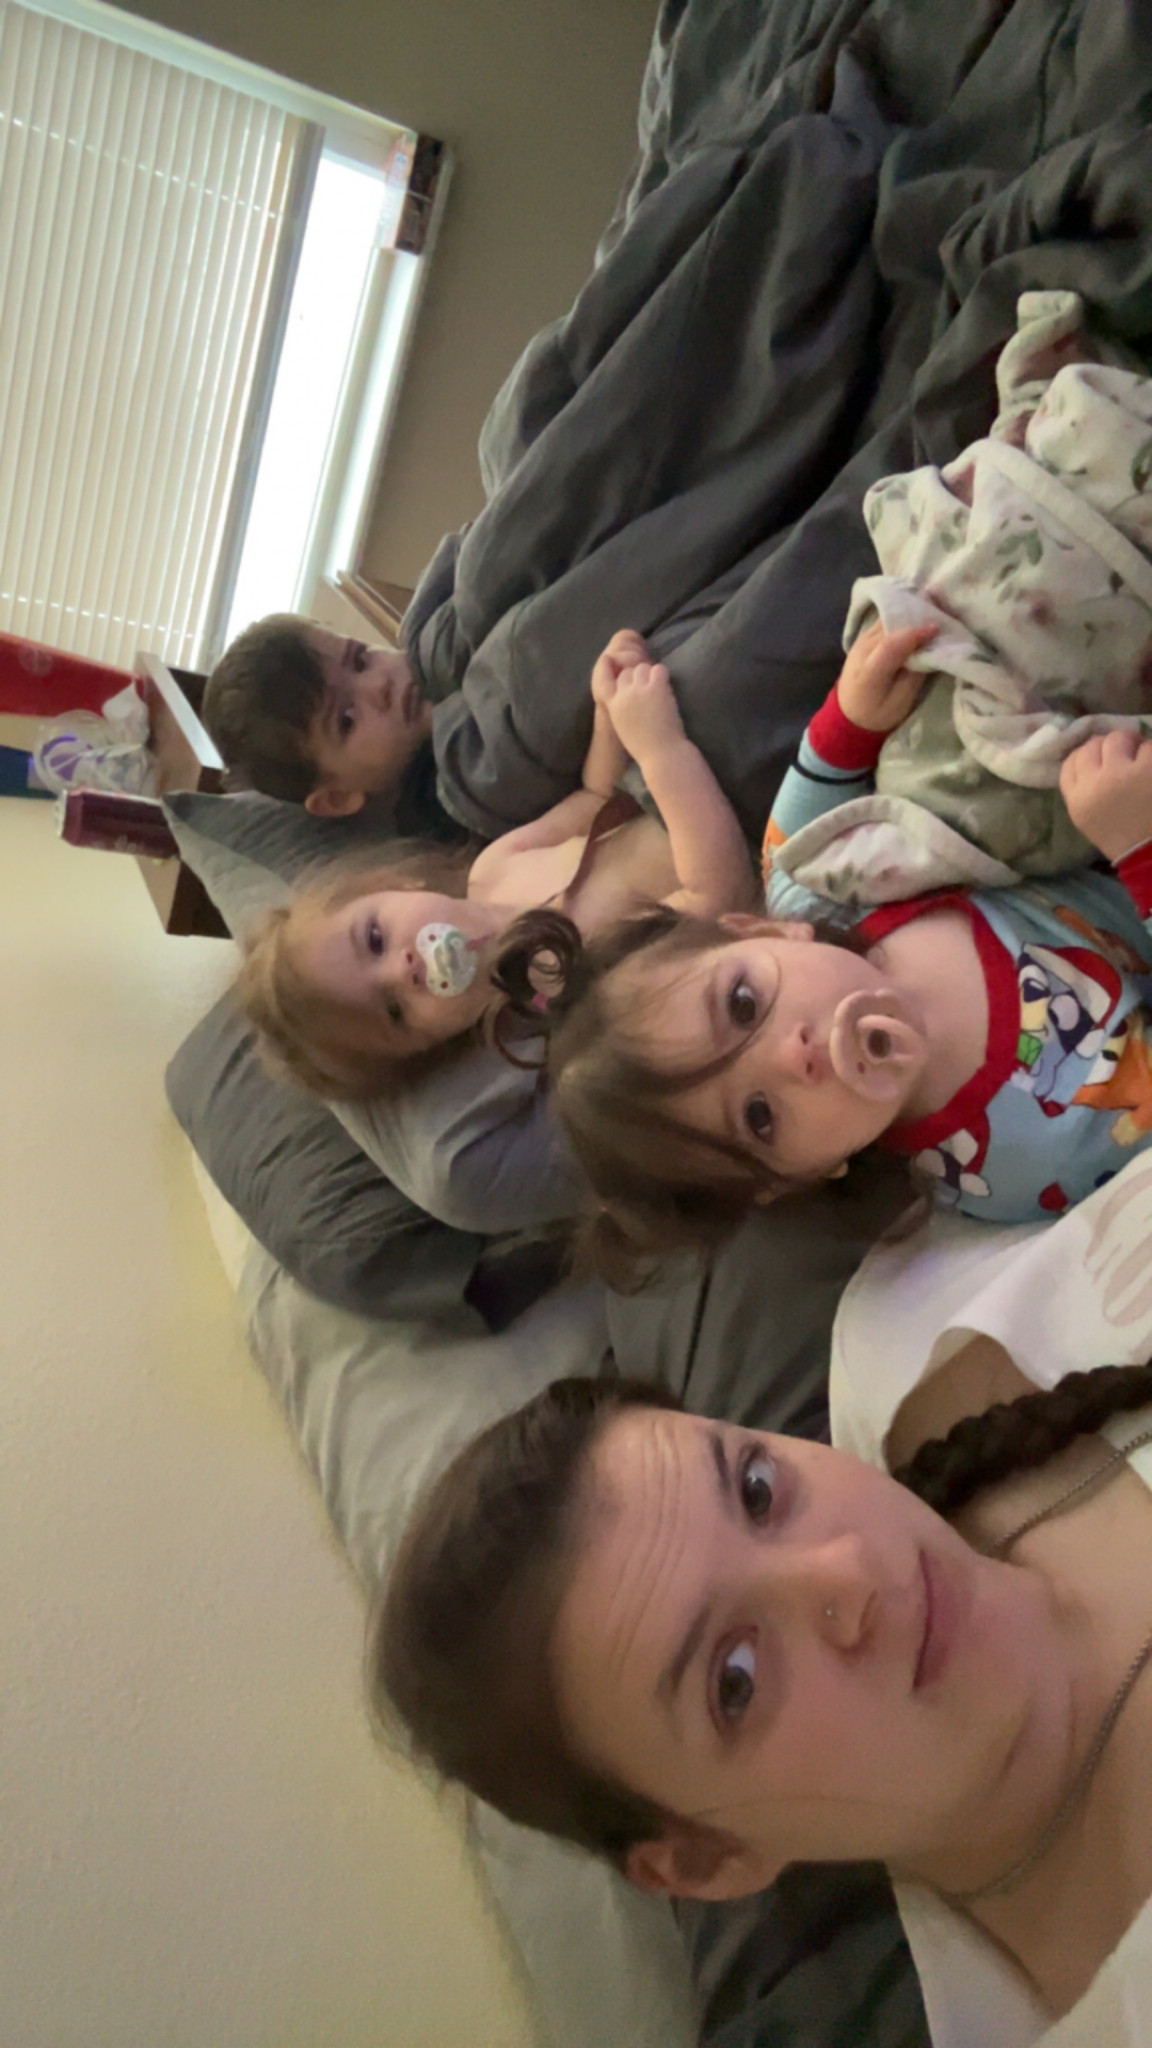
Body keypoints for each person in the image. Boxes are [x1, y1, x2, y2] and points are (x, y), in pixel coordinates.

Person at [369, 1151, 1152, 2042]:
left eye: (756, 1489)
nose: (848, 1572)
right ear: (707, 1862)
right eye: (734, 1679)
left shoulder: (907, 1332)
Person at [491, 623, 1152, 1277]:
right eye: (760, 1118)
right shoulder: (1020, 1163)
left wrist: (852, 716)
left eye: (744, 1004)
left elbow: (813, 787)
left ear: (763, 932)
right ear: (800, 1175)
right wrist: (1136, 844)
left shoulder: (815, 892)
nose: (793, 1056)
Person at [236, 629, 758, 1098]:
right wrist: (662, 747)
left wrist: (608, 715)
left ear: (394, 884)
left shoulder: (494, 867)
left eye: (375, 939)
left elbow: (595, 798)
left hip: (682, 764)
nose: (404, 968)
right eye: (394, 1010)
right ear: (434, 1045)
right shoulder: (565, 990)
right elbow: (717, 898)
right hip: (755, 826)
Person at [202, 614, 453, 831]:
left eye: (361, 661)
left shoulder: (439, 636)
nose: (379, 685)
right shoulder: (449, 807)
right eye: (347, 719)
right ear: (338, 797)